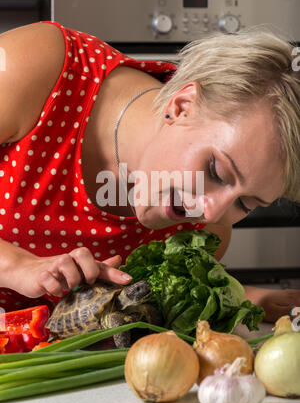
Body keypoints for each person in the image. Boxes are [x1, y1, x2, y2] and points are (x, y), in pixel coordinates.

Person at [0, 20, 299, 323]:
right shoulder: (40, 65)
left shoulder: (205, 234)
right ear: (182, 106)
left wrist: (241, 297)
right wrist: (16, 265)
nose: (212, 212)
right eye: (216, 171)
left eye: (245, 203)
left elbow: (137, 305)